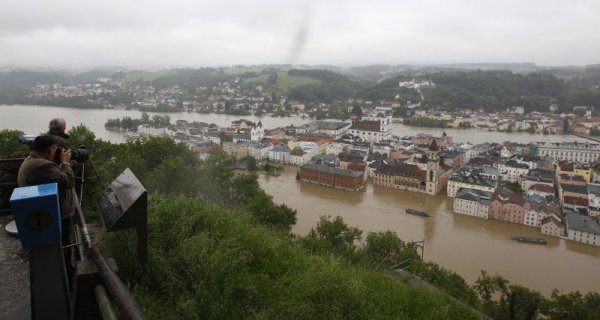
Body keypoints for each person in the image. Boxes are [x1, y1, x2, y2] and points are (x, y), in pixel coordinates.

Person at [17, 135, 76, 244]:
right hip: (55, 215)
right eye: (55, 148)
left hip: (42, 211)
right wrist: (65, 163)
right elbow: (69, 181)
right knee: (63, 245)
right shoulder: (43, 166)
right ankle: (63, 261)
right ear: (50, 150)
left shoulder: (32, 159)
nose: (56, 151)